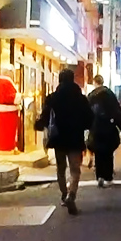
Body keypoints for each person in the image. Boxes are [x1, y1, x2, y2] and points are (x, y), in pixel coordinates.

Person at [36, 69, 93, 215]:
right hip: (75, 138)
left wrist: (39, 125)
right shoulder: (81, 98)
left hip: (58, 137)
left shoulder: (52, 98)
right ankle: (71, 195)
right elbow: (89, 119)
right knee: (75, 170)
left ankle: (63, 195)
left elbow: (45, 116)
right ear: (73, 79)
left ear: (60, 80)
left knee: (61, 169)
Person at [87, 75, 121, 188]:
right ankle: (108, 177)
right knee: (108, 154)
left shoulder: (91, 96)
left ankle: (99, 176)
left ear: (95, 82)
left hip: (95, 129)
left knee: (98, 153)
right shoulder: (109, 94)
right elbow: (117, 112)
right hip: (108, 128)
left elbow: (86, 113)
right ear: (103, 81)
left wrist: (87, 126)